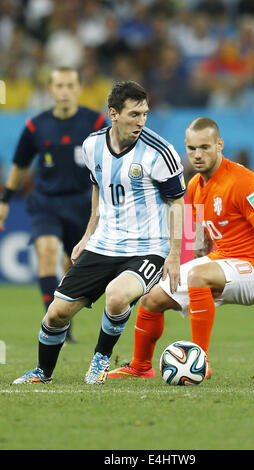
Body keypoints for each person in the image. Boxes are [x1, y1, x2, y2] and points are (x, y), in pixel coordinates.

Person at [12, 80, 186, 385]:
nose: (141, 121)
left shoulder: (161, 152)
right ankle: (43, 373)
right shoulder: (92, 145)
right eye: (134, 114)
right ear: (114, 114)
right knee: (56, 313)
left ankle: (101, 358)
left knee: (117, 297)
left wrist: (174, 253)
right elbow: (99, 188)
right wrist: (87, 235)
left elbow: (179, 202)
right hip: (104, 243)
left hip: (147, 247)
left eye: (145, 114)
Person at [108, 116, 254, 380]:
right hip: (222, 261)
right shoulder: (194, 185)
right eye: (192, 149)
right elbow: (203, 237)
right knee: (150, 298)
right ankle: (140, 366)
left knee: (197, 276)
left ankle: (200, 362)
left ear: (219, 145)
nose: (197, 155)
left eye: (205, 147)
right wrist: (199, 276)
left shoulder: (243, 182)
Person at [0, 67, 107, 342]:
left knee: (71, 263)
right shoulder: (36, 126)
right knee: (47, 252)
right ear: (49, 89)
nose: (65, 91)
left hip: (84, 204)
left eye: (70, 85)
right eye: (59, 86)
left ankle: (62, 311)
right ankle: (54, 324)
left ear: (79, 89)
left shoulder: (95, 123)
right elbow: (20, 165)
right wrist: (5, 200)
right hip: (45, 201)